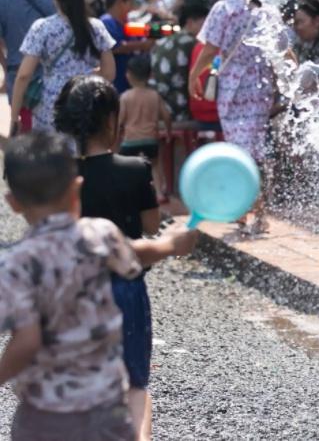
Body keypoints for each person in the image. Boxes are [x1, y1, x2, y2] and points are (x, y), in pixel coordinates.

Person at [0, 131, 197, 441]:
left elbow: (26, 341)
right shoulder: (100, 234)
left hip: (44, 414)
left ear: (13, 203)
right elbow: (133, 250)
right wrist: (170, 245)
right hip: (105, 407)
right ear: (77, 188)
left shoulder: (15, 265)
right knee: (131, 407)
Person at [54, 76, 168, 441]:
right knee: (134, 386)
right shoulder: (136, 170)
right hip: (125, 291)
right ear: (110, 121)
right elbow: (151, 228)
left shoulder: (58, 176)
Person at [188, 0, 291, 234]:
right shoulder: (266, 11)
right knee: (254, 149)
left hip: (233, 88)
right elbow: (284, 50)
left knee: (239, 150)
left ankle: (247, 209)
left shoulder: (224, 9)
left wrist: (194, 76)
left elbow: (210, 49)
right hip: (261, 88)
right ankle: (257, 212)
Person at [9, 0, 116, 134]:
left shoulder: (42, 28)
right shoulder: (96, 26)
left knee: (53, 154)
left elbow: (23, 76)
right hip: (88, 100)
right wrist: (88, 74)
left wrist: (15, 117)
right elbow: (109, 73)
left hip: (52, 103)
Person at [0, 0, 56, 131]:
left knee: (26, 141)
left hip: (18, 83)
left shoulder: (3, 1)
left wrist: (7, 68)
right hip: (52, 80)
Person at [118, 55, 172, 196]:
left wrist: (117, 136)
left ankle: (128, 193)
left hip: (130, 141)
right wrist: (168, 132)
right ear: (150, 75)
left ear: (128, 75)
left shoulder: (125, 97)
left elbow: (120, 120)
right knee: (154, 165)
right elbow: (166, 115)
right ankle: (159, 193)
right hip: (150, 139)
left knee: (127, 167)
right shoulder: (154, 95)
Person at [152, 2, 209, 122]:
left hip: (158, 102)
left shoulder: (163, 41)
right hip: (179, 104)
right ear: (190, 22)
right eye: (204, 24)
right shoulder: (192, 44)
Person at [101, 0, 154, 94]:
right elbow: (116, 47)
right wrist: (142, 45)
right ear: (120, 2)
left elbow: (148, 32)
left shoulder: (128, 22)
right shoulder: (106, 21)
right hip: (116, 81)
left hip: (132, 83)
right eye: (130, 3)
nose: (131, 8)